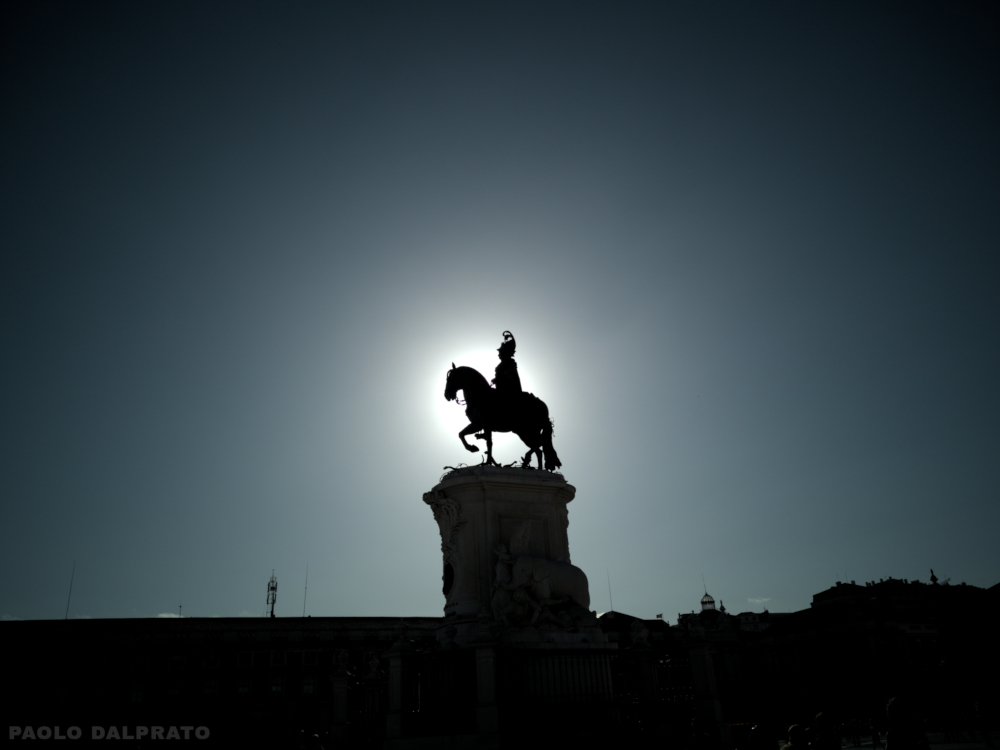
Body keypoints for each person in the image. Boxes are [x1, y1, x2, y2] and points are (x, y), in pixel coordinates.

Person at [492, 331, 522, 399]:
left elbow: (510, 374)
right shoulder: (499, 365)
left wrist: (497, 379)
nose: (498, 354)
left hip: (510, 389)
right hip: (500, 388)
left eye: (500, 352)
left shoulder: (510, 362)